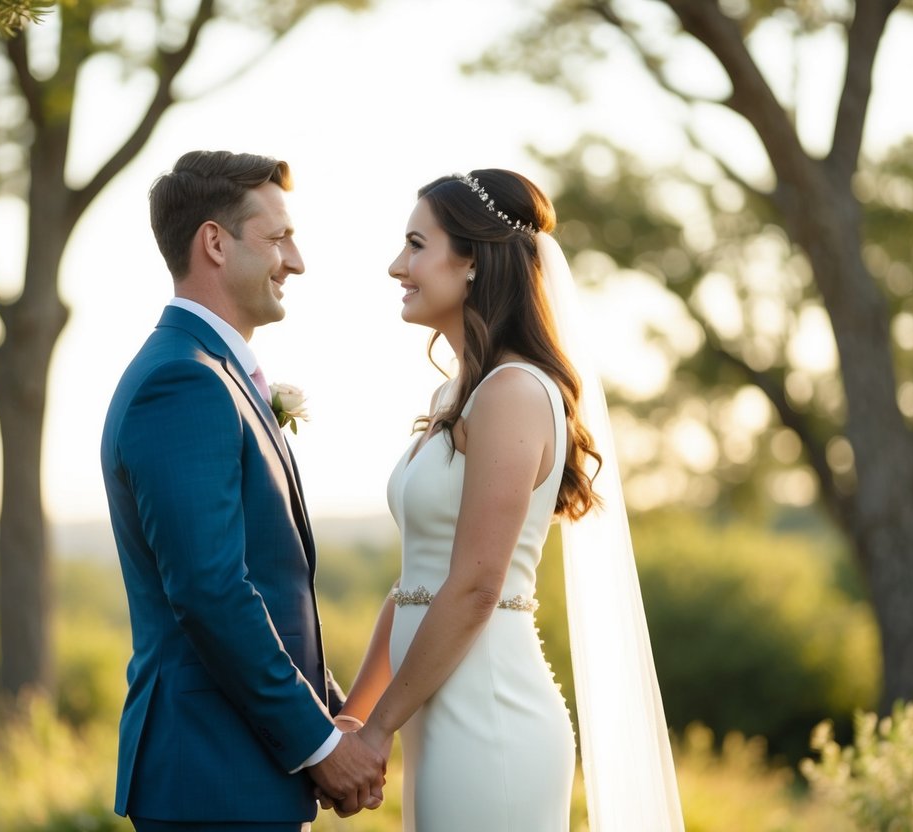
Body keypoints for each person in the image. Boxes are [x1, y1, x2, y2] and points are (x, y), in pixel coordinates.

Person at [331, 169, 684, 831]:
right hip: (437, 718)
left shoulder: (513, 392)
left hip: (489, 718)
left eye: (414, 245)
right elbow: (416, 583)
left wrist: (376, 734)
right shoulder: (455, 396)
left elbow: (473, 586)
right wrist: (353, 715)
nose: (394, 267)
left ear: (471, 262)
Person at [100, 150, 386, 832]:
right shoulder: (185, 383)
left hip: (237, 764)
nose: (297, 260)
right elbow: (210, 591)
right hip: (210, 774)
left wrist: (325, 715)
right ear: (215, 243)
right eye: (278, 237)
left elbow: (265, 581)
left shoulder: (212, 373)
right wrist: (320, 747)